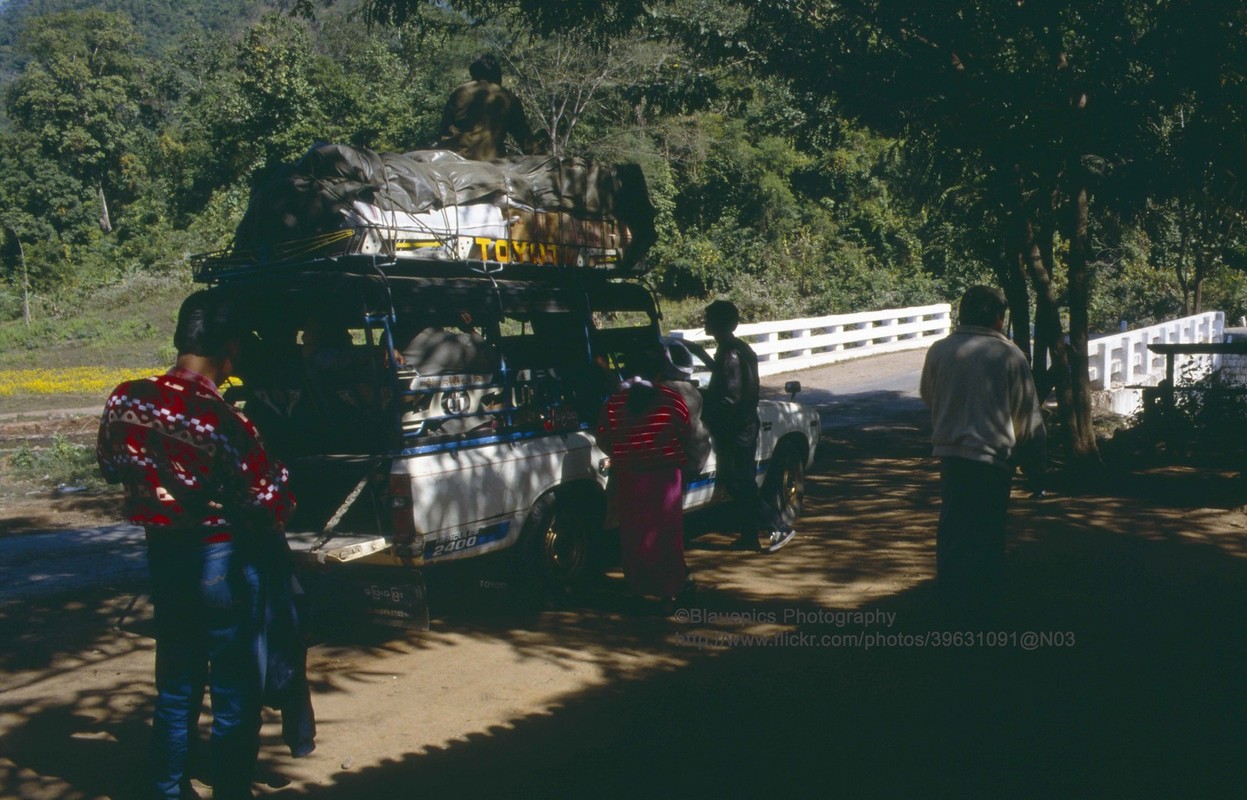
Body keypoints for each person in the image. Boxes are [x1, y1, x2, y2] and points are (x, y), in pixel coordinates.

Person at [97, 290, 297, 799]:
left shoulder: (125, 398)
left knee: (176, 687)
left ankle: (167, 788)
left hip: (164, 558)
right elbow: (270, 504)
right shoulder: (224, 420)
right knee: (234, 694)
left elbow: (109, 466)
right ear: (229, 352)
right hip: (222, 563)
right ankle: (230, 789)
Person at [919, 285, 1046, 619]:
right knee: (987, 534)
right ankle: (982, 609)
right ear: (1000, 319)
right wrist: (1036, 467)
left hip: (951, 456)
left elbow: (929, 396)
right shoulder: (1009, 355)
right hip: (993, 461)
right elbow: (1027, 418)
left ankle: (950, 604)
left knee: (952, 530)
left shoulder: (940, 350)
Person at [596, 343, 695, 611]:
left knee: (634, 534)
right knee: (667, 532)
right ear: (660, 374)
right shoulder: (673, 400)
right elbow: (686, 434)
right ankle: (669, 592)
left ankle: (637, 590)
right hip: (665, 476)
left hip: (630, 475)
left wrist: (624, 452)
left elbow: (603, 436)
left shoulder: (614, 403)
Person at [701, 300, 796, 553]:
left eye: (708, 318)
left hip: (734, 428)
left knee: (738, 484)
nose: (704, 322)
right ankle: (749, 536)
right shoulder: (739, 348)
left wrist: (707, 412)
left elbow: (730, 397)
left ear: (719, 322)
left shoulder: (729, 353)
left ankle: (778, 527)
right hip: (745, 424)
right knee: (745, 482)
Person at [436, 54, 540, 161]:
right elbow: (525, 138)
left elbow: (445, 131)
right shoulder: (508, 97)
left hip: (457, 161)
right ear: (497, 74)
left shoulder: (460, 93)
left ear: (474, 73)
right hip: (494, 163)